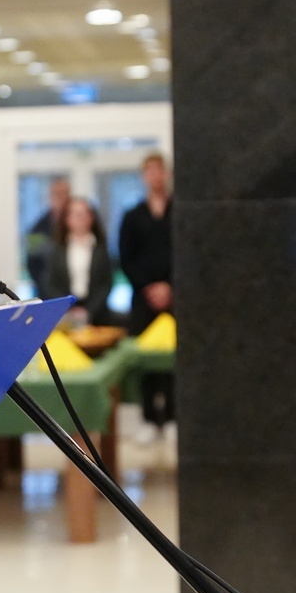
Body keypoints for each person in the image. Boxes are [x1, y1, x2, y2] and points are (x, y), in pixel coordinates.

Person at [118, 152, 175, 441]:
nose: (155, 176)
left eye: (159, 170)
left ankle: (174, 417)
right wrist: (148, 288)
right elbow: (126, 259)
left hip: (176, 299)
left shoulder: (179, 210)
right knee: (146, 360)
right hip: (143, 299)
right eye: (149, 171)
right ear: (144, 177)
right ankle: (149, 418)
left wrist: (171, 287)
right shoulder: (133, 216)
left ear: (167, 174)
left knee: (174, 359)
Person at [38, 196, 115, 327]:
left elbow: (106, 284)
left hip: (97, 314)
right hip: (65, 312)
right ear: (66, 218)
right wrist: (68, 307)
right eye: (75, 214)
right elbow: (50, 283)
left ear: (92, 217)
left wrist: (89, 310)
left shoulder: (101, 249)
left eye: (84, 214)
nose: (80, 218)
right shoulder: (56, 249)